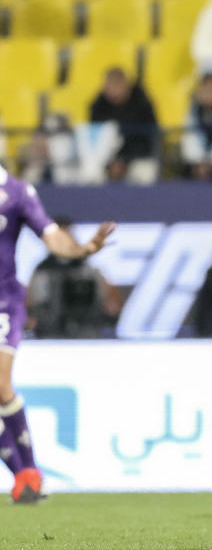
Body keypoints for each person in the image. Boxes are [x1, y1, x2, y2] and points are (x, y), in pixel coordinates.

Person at [0, 168, 114, 502]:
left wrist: (83, 250)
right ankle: (26, 476)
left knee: (0, 384)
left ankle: (29, 474)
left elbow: (51, 236)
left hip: (2, 300)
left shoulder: (17, 192)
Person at [26, 217, 121, 338]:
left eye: (67, 235)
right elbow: (28, 304)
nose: (64, 242)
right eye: (59, 237)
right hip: (50, 334)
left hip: (87, 332)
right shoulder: (41, 272)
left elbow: (112, 304)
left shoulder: (89, 270)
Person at [89, 67, 159, 184]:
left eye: (118, 86)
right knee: (91, 174)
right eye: (112, 86)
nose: (115, 91)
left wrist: (124, 159)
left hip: (137, 155)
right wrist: (111, 161)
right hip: (107, 159)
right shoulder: (98, 106)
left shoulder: (141, 103)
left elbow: (148, 136)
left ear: (127, 86)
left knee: (146, 173)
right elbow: (96, 139)